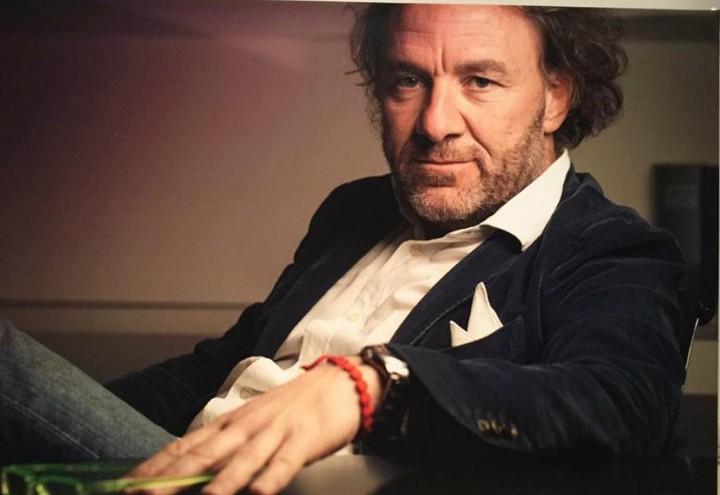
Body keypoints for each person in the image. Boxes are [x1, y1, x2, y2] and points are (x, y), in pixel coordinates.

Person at [0, 4, 685, 495]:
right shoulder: (353, 211)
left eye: (480, 81)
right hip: (177, 464)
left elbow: (620, 402)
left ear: (556, 96)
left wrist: (374, 387)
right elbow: (222, 365)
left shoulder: (613, 250)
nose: (435, 124)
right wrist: (52, 423)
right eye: (407, 80)